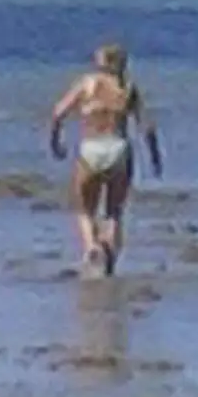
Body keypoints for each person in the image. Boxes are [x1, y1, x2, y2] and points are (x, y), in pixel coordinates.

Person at [49, 42, 162, 274]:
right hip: (118, 148)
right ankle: (109, 257)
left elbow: (58, 112)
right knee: (114, 212)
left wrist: (55, 143)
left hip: (91, 148)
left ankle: (91, 245)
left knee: (83, 209)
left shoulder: (87, 84)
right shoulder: (128, 88)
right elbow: (147, 127)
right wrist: (155, 158)